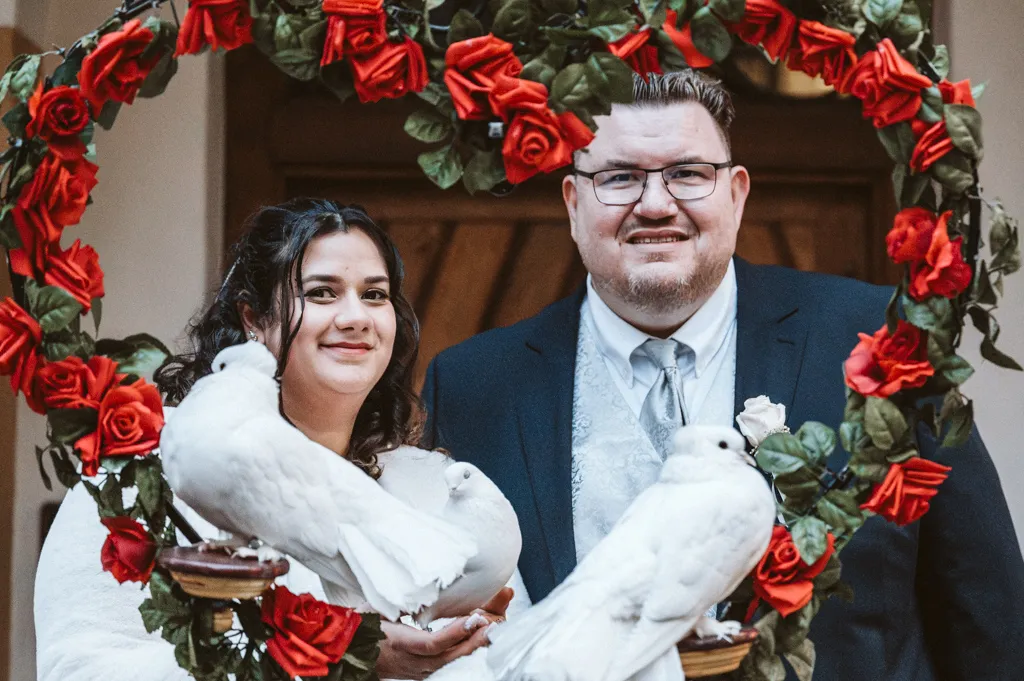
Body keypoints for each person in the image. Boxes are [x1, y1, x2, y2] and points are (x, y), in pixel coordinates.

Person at [420, 71, 1024, 679]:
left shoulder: (877, 339)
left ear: (736, 193)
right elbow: (437, 620)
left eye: (687, 173)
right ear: (574, 204)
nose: (654, 205)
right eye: (619, 177)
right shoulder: (475, 386)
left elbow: (987, 612)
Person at [35, 199, 507, 681]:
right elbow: (80, 668)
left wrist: (479, 640)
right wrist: (344, 657)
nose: (356, 317)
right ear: (253, 319)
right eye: (322, 292)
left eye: (375, 295)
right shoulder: (152, 469)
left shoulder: (429, 485)